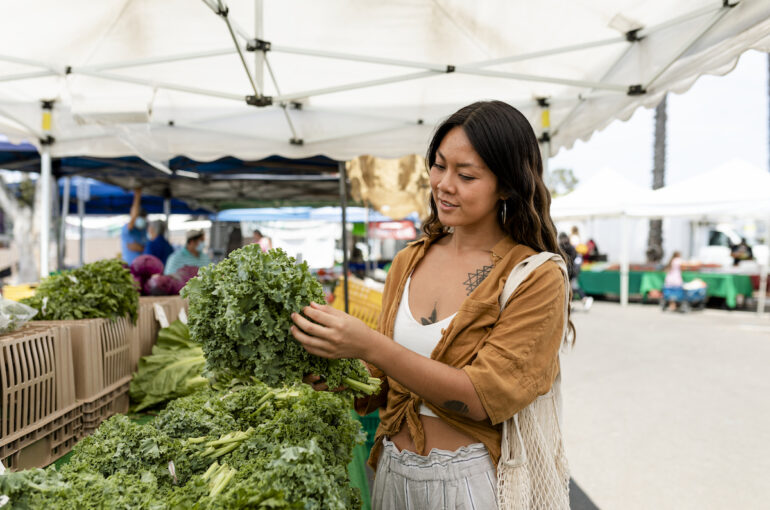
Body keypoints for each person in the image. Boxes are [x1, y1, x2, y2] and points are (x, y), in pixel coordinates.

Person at [290, 101, 574, 508]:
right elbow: (379, 380)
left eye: (466, 175)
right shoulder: (409, 260)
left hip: (473, 483)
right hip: (391, 471)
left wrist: (368, 344)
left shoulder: (535, 276)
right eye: (439, 166)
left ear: (507, 185)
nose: (444, 184)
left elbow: (481, 397)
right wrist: (328, 368)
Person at [559, 232, 593, 311]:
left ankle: (584, 299)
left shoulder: (564, 248)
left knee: (572, 287)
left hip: (570, 271)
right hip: (571, 271)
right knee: (571, 288)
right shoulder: (570, 247)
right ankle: (574, 302)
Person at [121, 188, 147, 265]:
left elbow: (144, 248)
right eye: (140, 217)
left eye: (143, 218)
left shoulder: (143, 230)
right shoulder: (127, 229)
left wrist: (141, 248)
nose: (142, 220)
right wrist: (137, 196)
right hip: (130, 266)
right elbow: (133, 216)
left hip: (142, 266)